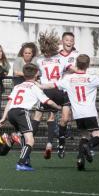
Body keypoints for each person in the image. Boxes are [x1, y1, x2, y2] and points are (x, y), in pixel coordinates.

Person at [39, 54, 99, 170]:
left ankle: (80, 159)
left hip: (78, 115)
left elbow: (52, 84)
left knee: (84, 136)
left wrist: (40, 85)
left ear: (76, 64)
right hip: (90, 113)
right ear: (87, 65)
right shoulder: (91, 78)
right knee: (98, 136)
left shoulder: (68, 79)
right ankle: (88, 147)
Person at [0, 64, 61, 171]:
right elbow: (47, 101)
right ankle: (21, 163)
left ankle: (26, 162)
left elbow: (9, 102)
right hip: (22, 112)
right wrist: (58, 106)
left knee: (23, 137)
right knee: (30, 140)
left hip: (11, 113)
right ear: (36, 74)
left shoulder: (17, 86)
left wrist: (4, 117)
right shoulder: (34, 87)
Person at [32, 31, 77, 160]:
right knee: (63, 119)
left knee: (38, 116)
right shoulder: (61, 58)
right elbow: (73, 69)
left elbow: (31, 72)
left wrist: (36, 83)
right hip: (60, 91)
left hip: (46, 91)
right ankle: (58, 146)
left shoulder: (39, 60)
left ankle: (27, 143)